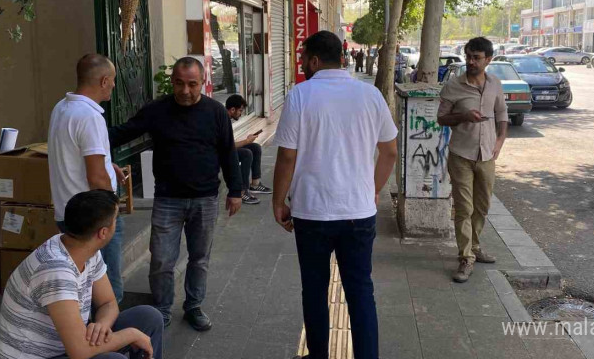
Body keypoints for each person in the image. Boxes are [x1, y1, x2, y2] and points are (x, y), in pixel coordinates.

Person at [273, 31, 398, 359]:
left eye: (303, 59)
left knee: (314, 291)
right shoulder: (369, 95)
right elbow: (390, 153)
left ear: (315, 60)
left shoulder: (300, 95)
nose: (301, 65)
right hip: (358, 212)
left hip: (312, 212)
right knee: (360, 292)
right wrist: (371, 191)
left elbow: (287, 156)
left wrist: (277, 202)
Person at [109, 57, 243, 330]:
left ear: (202, 82)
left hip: (205, 199)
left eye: (192, 84)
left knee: (199, 258)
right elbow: (123, 133)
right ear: (172, 82)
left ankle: (193, 306)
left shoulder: (216, 112)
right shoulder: (157, 110)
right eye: (179, 83)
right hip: (168, 199)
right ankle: (161, 309)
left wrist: (236, 190)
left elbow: (228, 152)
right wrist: (89, 140)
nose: (185, 90)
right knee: (161, 259)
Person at [0, 190, 164, 359]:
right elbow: (80, 352)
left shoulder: (85, 249)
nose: (117, 223)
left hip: (67, 346)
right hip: (43, 355)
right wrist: (131, 335)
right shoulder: (55, 270)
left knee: (149, 317)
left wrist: (101, 325)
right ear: (102, 233)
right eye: (115, 220)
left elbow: (108, 302)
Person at [48, 53, 126, 302]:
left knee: (82, 286)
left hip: (67, 214)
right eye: (112, 80)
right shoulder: (90, 116)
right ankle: (107, 337)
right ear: (104, 81)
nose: (114, 85)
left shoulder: (62, 107)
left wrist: (106, 163)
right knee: (107, 291)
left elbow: (75, 155)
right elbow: (96, 178)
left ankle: (85, 333)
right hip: (94, 220)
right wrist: (113, 210)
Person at [437, 37, 509, 283]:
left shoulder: (495, 84)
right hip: (461, 155)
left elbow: (502, 114)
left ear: (488, 59)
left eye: (476, 57)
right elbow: (441, 119)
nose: (470, 61)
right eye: (468, 56)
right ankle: (465, 257)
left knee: (482, 206)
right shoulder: (454, 86)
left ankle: (475, 246)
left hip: (487, 155)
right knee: (464, 208)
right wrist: (463, 116)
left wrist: (499, 141)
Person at [225, 94, 273, 205]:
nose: (241, 114)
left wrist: (248, 141)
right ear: (232, 109)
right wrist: (246, 141)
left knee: (255, 147)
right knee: (246, 153)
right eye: (240, 111)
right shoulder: (223, 119)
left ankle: (255, 184)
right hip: (220, 152)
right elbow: (227, 146)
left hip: (226, 148)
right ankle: (242, 192)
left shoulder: (228, 119)